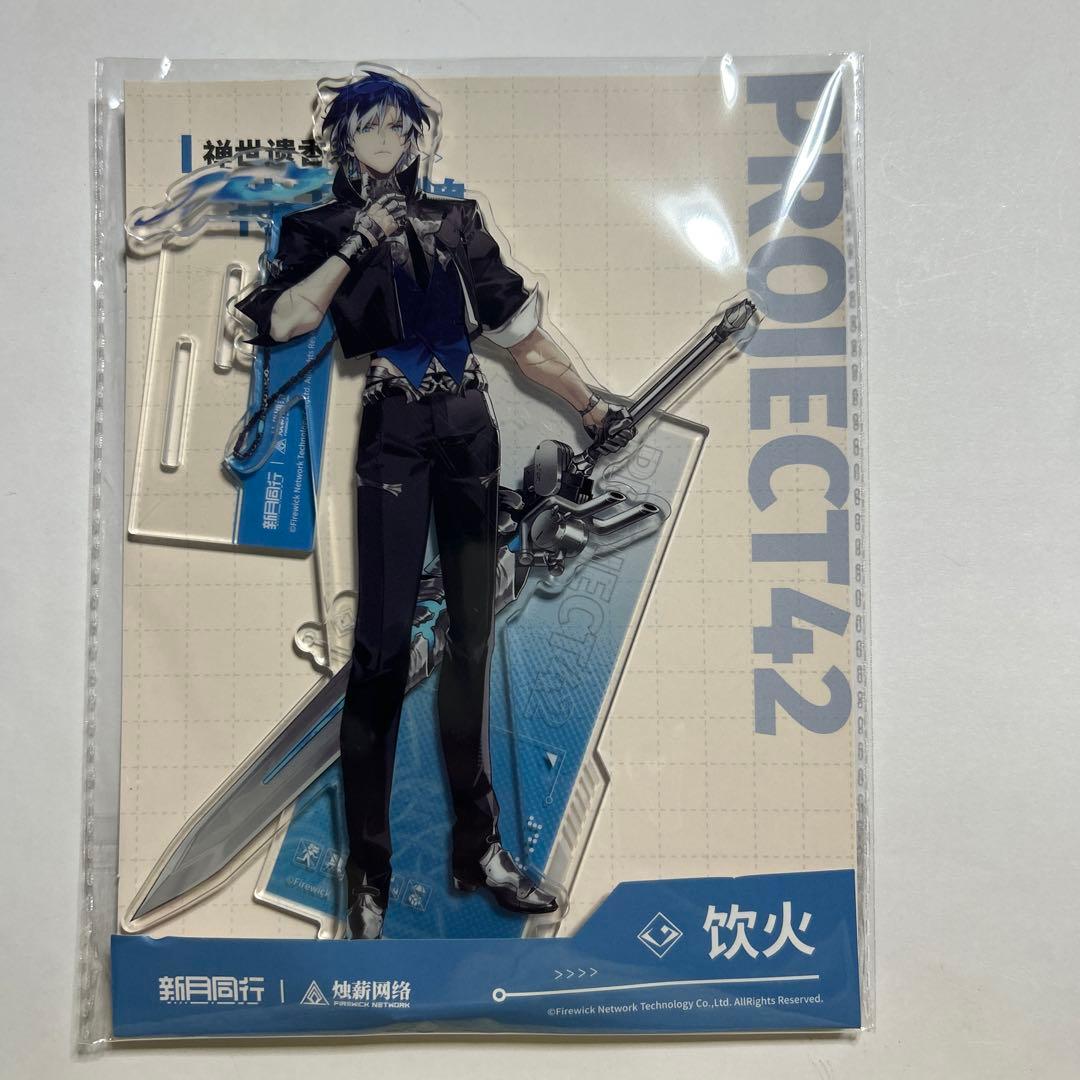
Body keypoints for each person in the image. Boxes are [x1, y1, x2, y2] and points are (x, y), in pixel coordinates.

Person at [236, 70, 633, 940]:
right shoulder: (317, 228)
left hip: (468, 432)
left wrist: (590, 405)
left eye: (399, 129)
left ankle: (478, 851)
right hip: (394, 435)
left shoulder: (459, 221)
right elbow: (286, 322)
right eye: (369, 129)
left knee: (472, 640)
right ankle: (368, 876)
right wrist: (356, 244)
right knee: (380, 654)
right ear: (346, 139)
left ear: (418, 137)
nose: (387, 142)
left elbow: (522, 338)